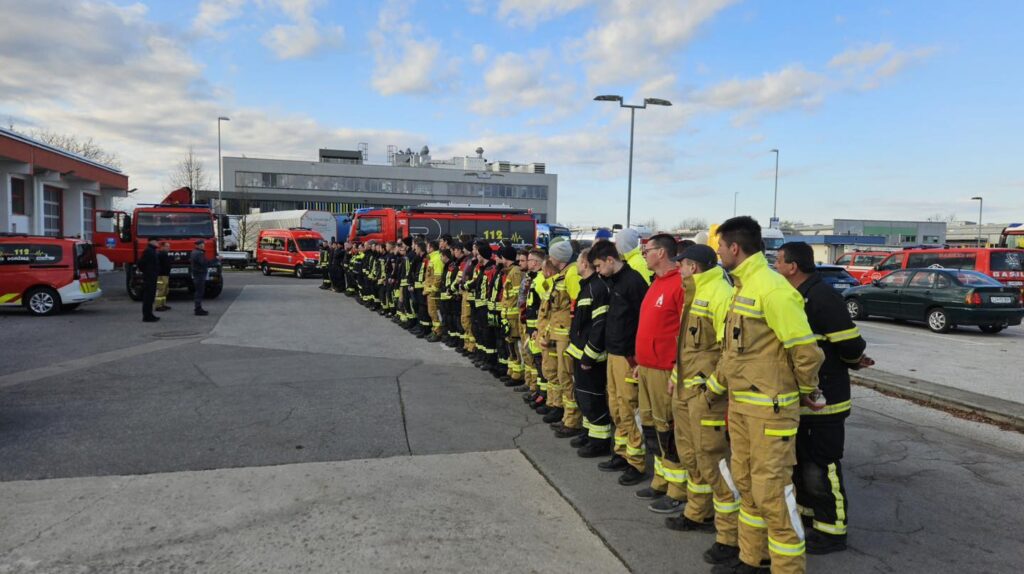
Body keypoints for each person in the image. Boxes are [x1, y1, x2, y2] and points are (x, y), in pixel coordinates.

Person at [710, 216, 824, 574]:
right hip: (744, 407)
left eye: (720, 246)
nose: (717, 252)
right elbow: (734, 352)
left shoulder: (773, 289)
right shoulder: (744, 286)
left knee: (772, 493)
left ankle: (787, 568)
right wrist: (717, 386)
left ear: (734, 248)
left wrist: (806, 390)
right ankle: (752, 558)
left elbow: (805, 351)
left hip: (771, 411)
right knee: (747, 486)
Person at [775, 241, 872, 556]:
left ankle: (832, 532)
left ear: (793, 266)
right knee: (803, 464)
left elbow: (851, 343)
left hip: (826, 399)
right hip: (804, 399)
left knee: (821, 466)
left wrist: (853, 360)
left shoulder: (821, 297)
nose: (776, 266)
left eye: (778, 261)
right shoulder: (797, 296)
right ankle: (810, 522)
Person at [665, 244, 739, 563]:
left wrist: (712, 387)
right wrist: (675, 374)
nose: (677, 269)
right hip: (686, 390)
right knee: (691, 454)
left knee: (714, 461)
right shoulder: (694, 291)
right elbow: (688, 346)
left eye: (681, 264)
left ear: (692, 266)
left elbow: (731, 351)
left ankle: (729, 536)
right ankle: (697, 513)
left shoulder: (720, 294)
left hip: (706, 397)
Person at [633, 234, 688, 513]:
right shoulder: (657, 283)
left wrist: (677, 370)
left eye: (648, 250)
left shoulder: (679, 285)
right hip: (647, 367)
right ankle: (661, 479)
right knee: (652, 427)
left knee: (668, 429)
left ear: (663, 253)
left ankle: (677, 489)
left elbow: (684, 334)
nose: (643, 254)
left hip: (665, 370)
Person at [588, 239, 649, 486]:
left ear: (611, 260)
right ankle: (622, 453)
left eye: (600, 265)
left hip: (627, 355)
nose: (598, 271)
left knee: (628, 407)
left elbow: (643, 322)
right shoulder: (612, 281)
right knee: (615, 405)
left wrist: (637, 359)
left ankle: (636, 462)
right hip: (613, 353)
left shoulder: (633, 283)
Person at [565, 247, 613, 452]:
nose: (576, 264)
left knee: (593, 399)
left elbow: (598, 326)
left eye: (578, 261)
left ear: (585, 264)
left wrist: (588, 357)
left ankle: (599, 442)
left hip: (591, 357)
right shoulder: (588, 286)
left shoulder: (597, 288)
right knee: (583, 396)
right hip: (581, 353)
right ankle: (588, 433)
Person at [539, 240, 578, 431]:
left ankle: (571, 420)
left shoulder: (571, 275)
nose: (550, 259)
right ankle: (565, 415)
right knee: (559, 374)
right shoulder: (562, 275)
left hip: (565, 335)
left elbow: (575, 306)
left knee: (566, 375)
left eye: (552, 256)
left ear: (559, 258)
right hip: (557, 333)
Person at [190, 239, 214, 316]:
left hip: (197, 273)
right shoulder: (198, 253)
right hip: (199, 274)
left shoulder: (194, 252)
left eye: (203, 244)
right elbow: (203, 263)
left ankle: (198, 308)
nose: (203, 246)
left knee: (199, 291)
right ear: (198, 245)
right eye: (202, 244)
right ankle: (198, 309)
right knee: (199, 292)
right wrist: (215, 260)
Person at [139, 238, 160, 322]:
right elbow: (141, 263)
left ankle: (150, 314)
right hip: (149, 277)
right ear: (151, 242)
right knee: (148, 297)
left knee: (151, 297)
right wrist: (148, 272)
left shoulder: (152, 250)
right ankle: (147, 316)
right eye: (156, 241)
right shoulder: (148, 251)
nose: (157, 243)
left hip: (152, 276)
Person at [155, 240, 172, 312]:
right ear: (162, 247)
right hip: (161, 275)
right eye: (167, 246)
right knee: (161, 290)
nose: (169, 248)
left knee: (165, 291)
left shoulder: (164, 254)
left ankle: (163, 304)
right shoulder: (160, 254)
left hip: (165, 275)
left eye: (169, 246)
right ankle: (158, 306)